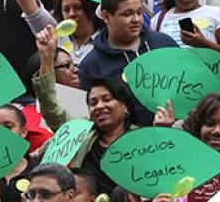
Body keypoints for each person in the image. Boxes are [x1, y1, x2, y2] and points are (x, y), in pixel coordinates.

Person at [31, 31, 139, 197]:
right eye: (93, 103)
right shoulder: (80, 132)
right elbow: (50, 108)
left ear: (125, 106)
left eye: (107, 99)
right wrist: (47, 57)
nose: (99, 106)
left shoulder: (140, 138)